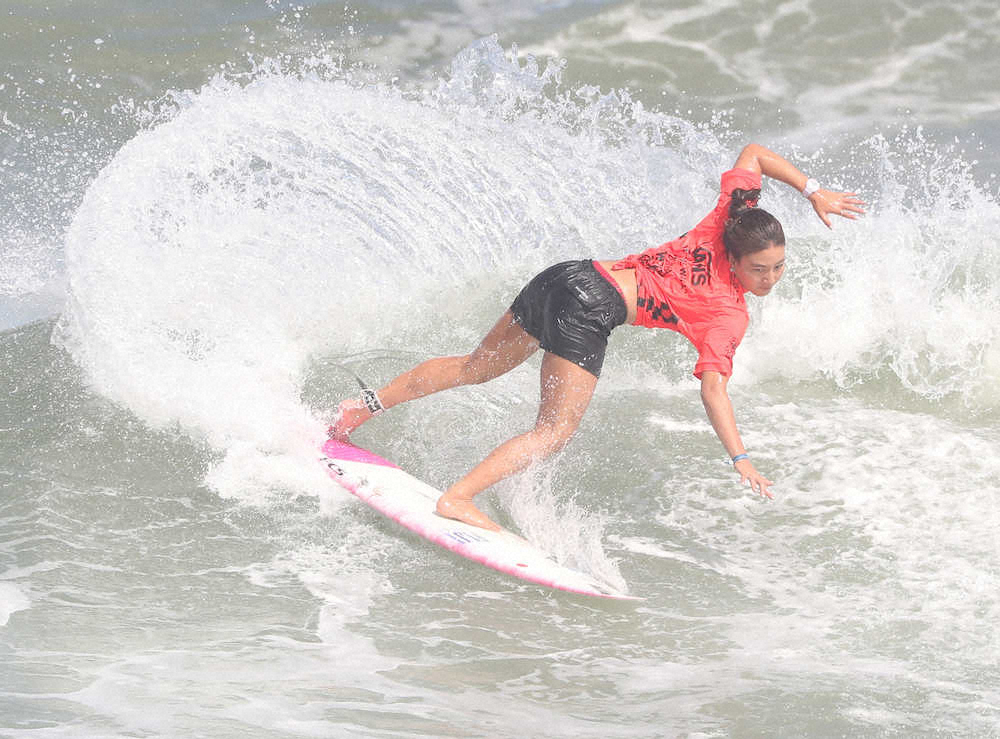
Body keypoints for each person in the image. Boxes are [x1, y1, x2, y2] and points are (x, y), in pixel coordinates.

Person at [329, 143, 865, 531]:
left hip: (571, 274)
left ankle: (358, 409)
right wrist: (740, 458)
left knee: (476, 367)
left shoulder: (726, 218)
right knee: (554, 430)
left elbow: (754, 154)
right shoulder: (729, 314)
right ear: (739, 256)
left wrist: (812, 192)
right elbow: (713, 390)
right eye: (759, 269)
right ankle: (458, 498)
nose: (769, 279)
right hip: (591, 306)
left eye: (778, 267)